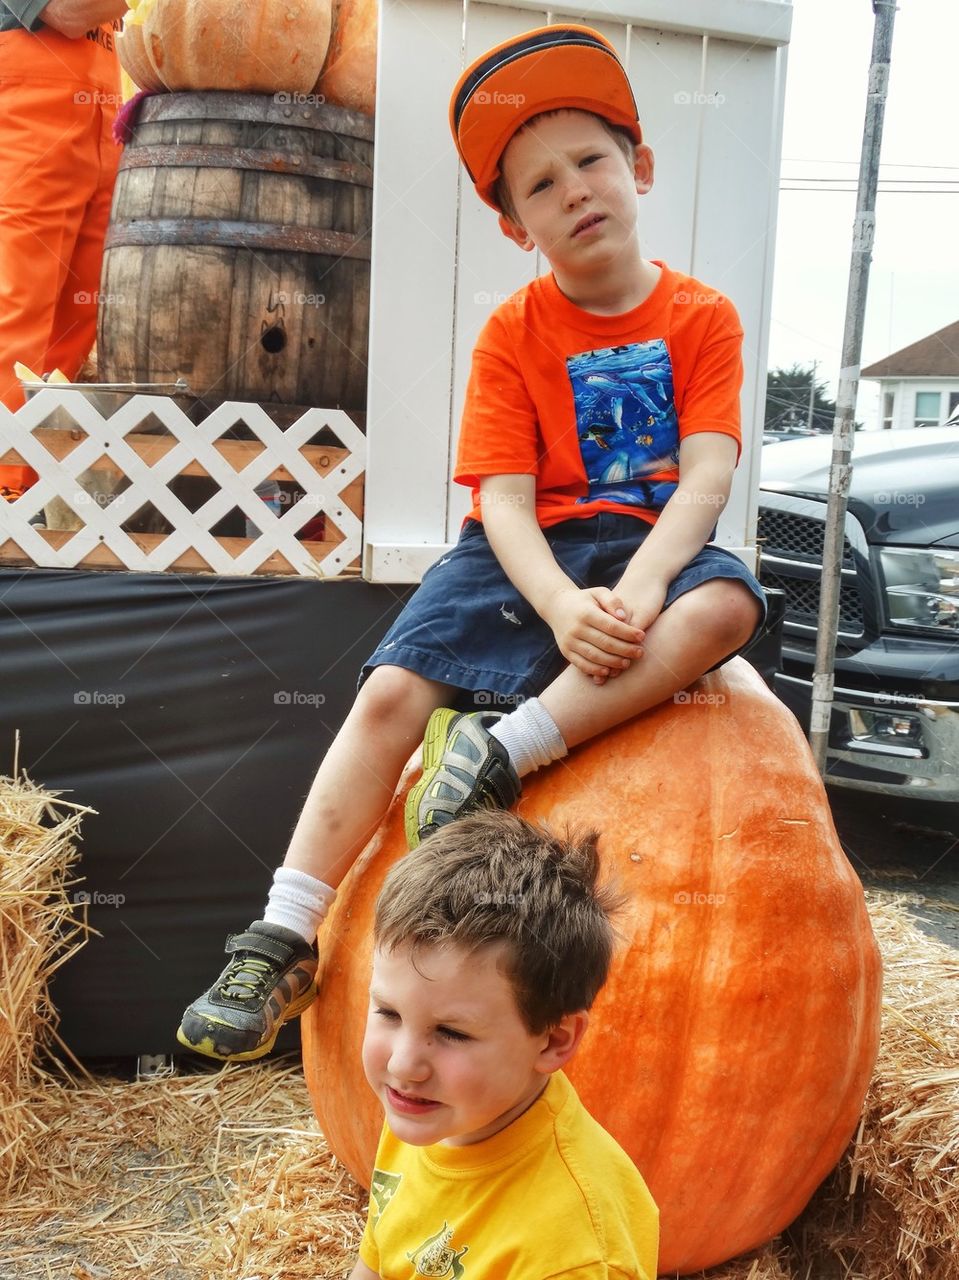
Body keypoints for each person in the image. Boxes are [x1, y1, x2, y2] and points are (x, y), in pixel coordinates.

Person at [177, 23, 767, 1063]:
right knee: (389, 693)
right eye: (537, 184)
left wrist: (632, 590)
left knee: (723, 607)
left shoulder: (702, 317)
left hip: (647, 543)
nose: (573, 189)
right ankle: (279, 928)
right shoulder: (512, 332)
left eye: (589, 160)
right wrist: (558, 606)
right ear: (514, 225)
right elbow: (499, 501)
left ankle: (508, 746)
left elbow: (706, 476)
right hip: (526, 549)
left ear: (639, 167)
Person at [349, 809, 659, 1280]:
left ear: (554, 1040)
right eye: (389, 1013)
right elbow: (377, 1257)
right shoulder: (431, 1105)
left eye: (452, 1033)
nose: (403, 1062)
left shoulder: (571, 1254)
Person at [0, 0, 124, 424]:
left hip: (103, 126)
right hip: (30, 118)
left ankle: (34, 477)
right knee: (18, 305)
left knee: (80, 316)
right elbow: (67, 13)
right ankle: (5, 477)